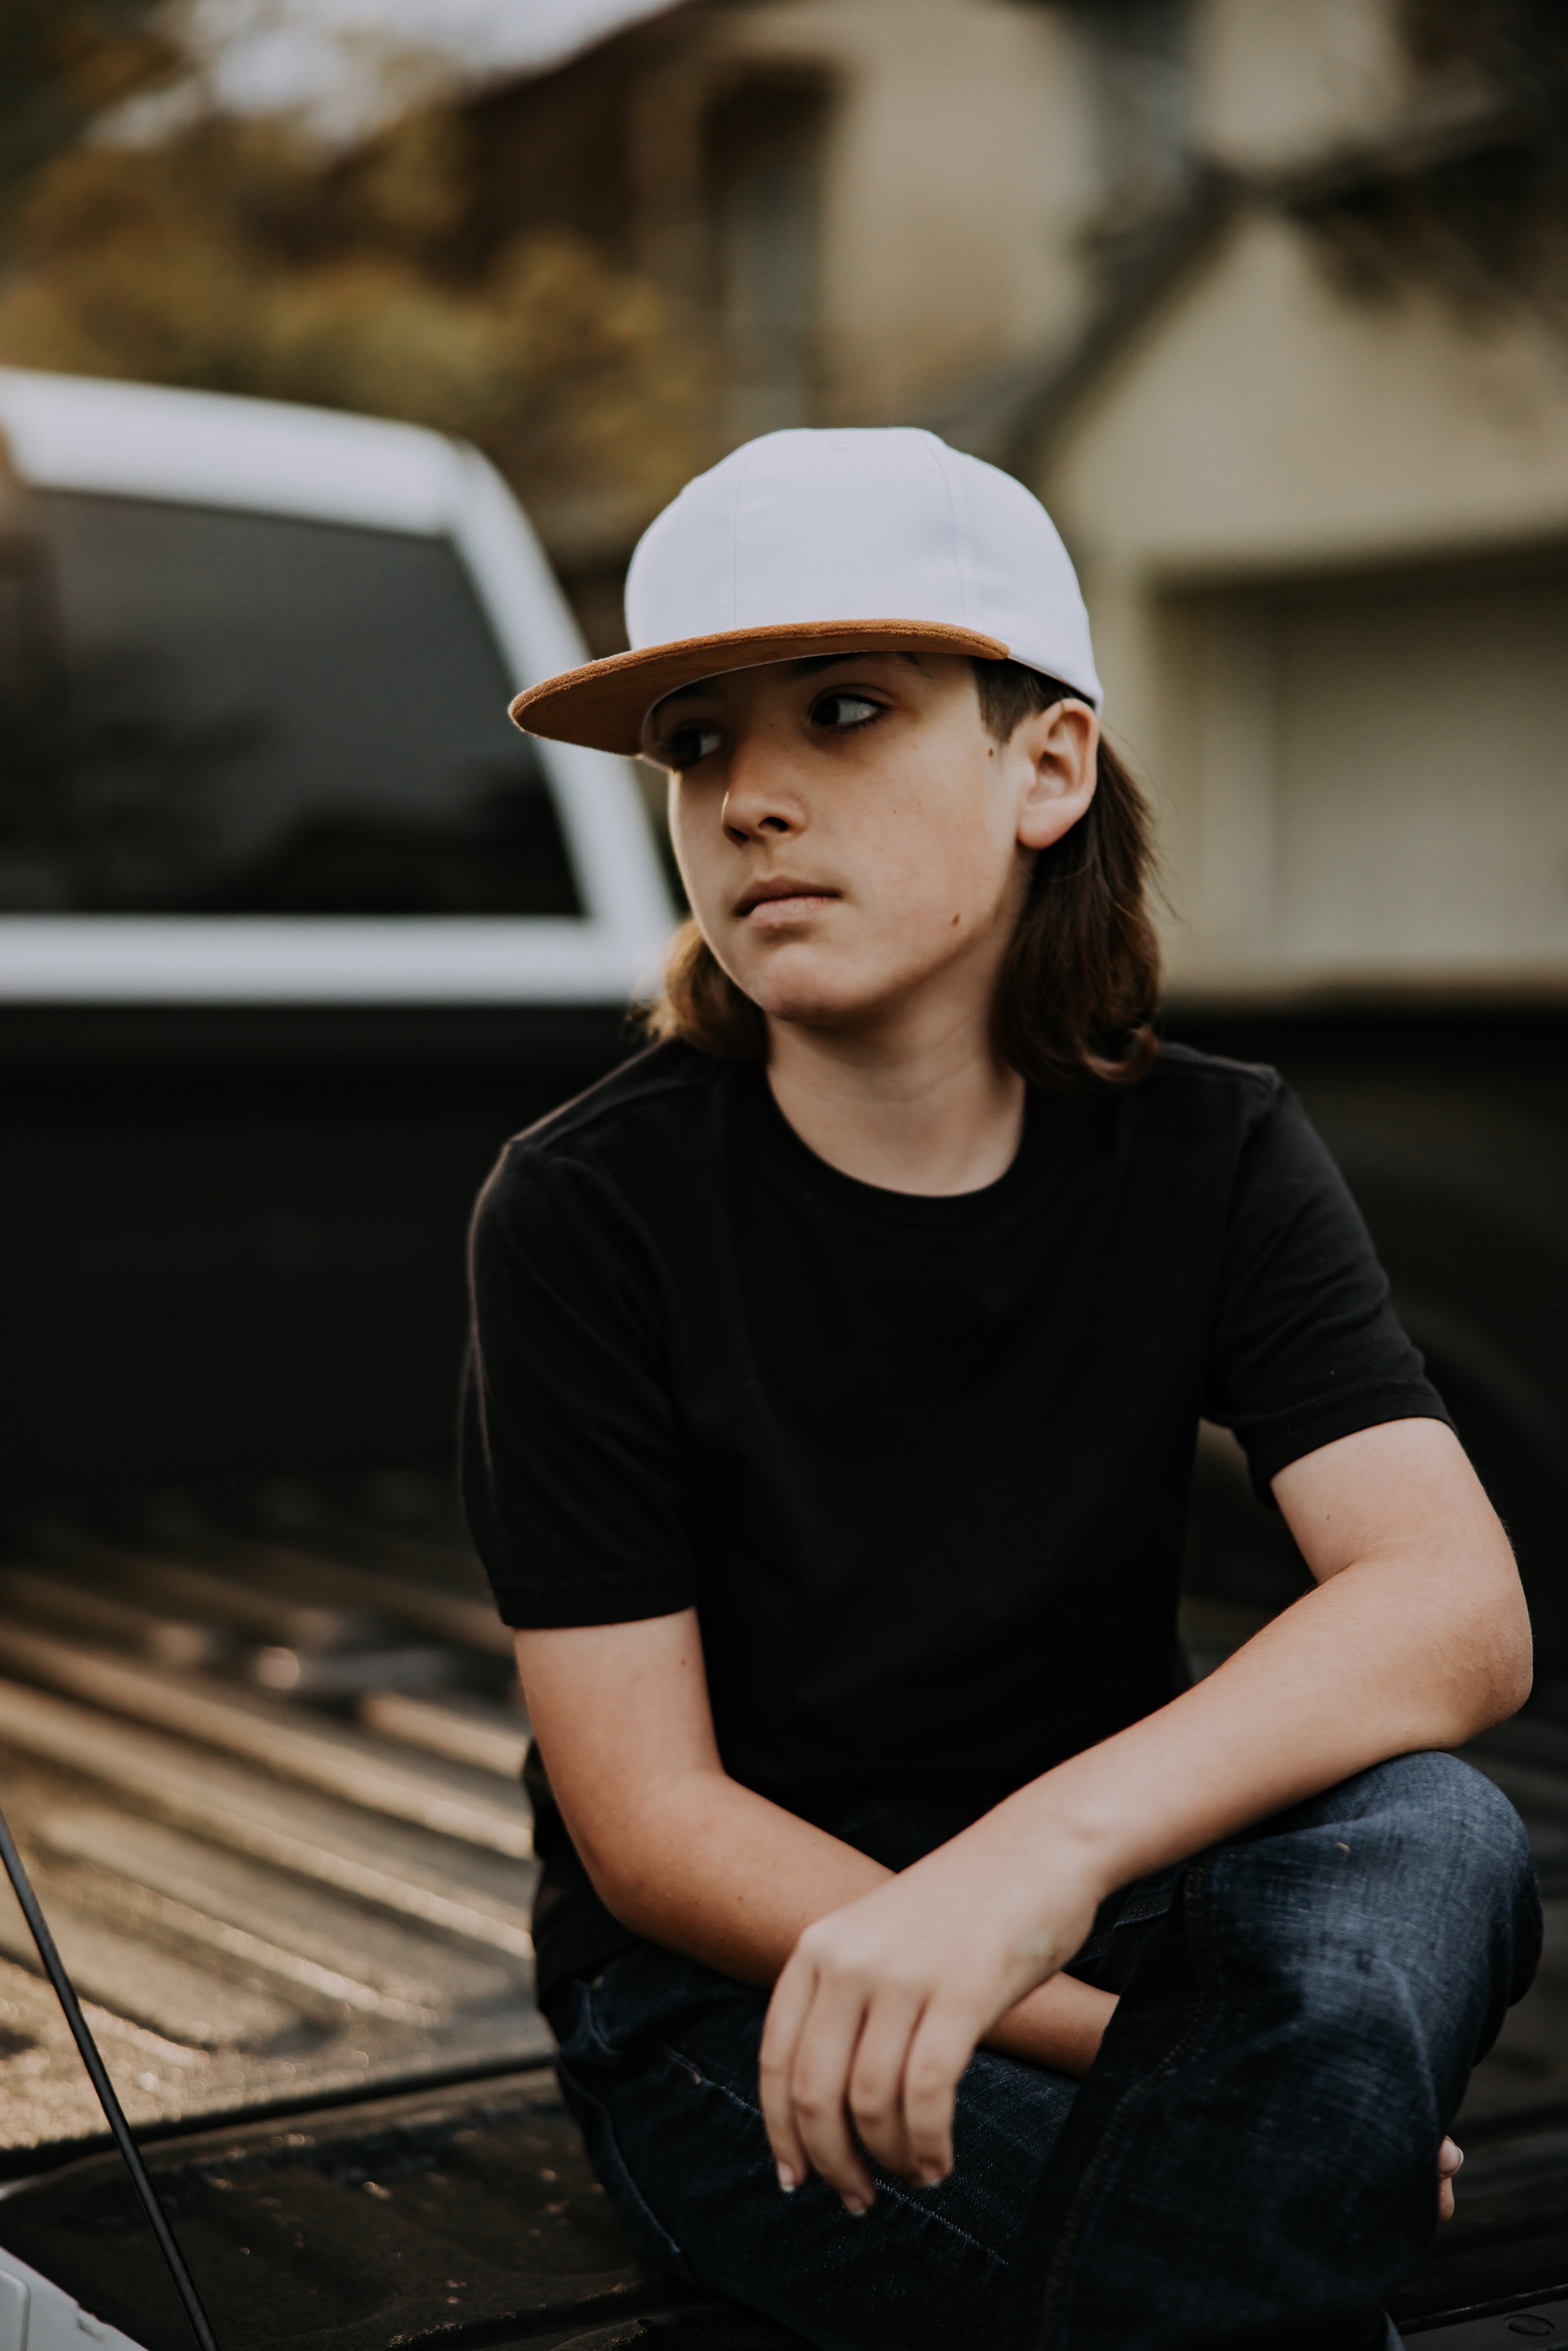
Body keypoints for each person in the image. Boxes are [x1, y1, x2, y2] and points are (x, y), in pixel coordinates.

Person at [461, 427, 1540, 2351]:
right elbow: (649, 1822)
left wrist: (1028, 1887)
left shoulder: (1211, 1149)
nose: (750, 798)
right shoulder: (584, 1206)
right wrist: (1219, 2081)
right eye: (698, 744)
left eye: (846, 709)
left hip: (1103, 1898)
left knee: (1433, 1833)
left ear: (1045, 766)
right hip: (742, 1987)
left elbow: (1451, 1607)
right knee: (1245, 2241)